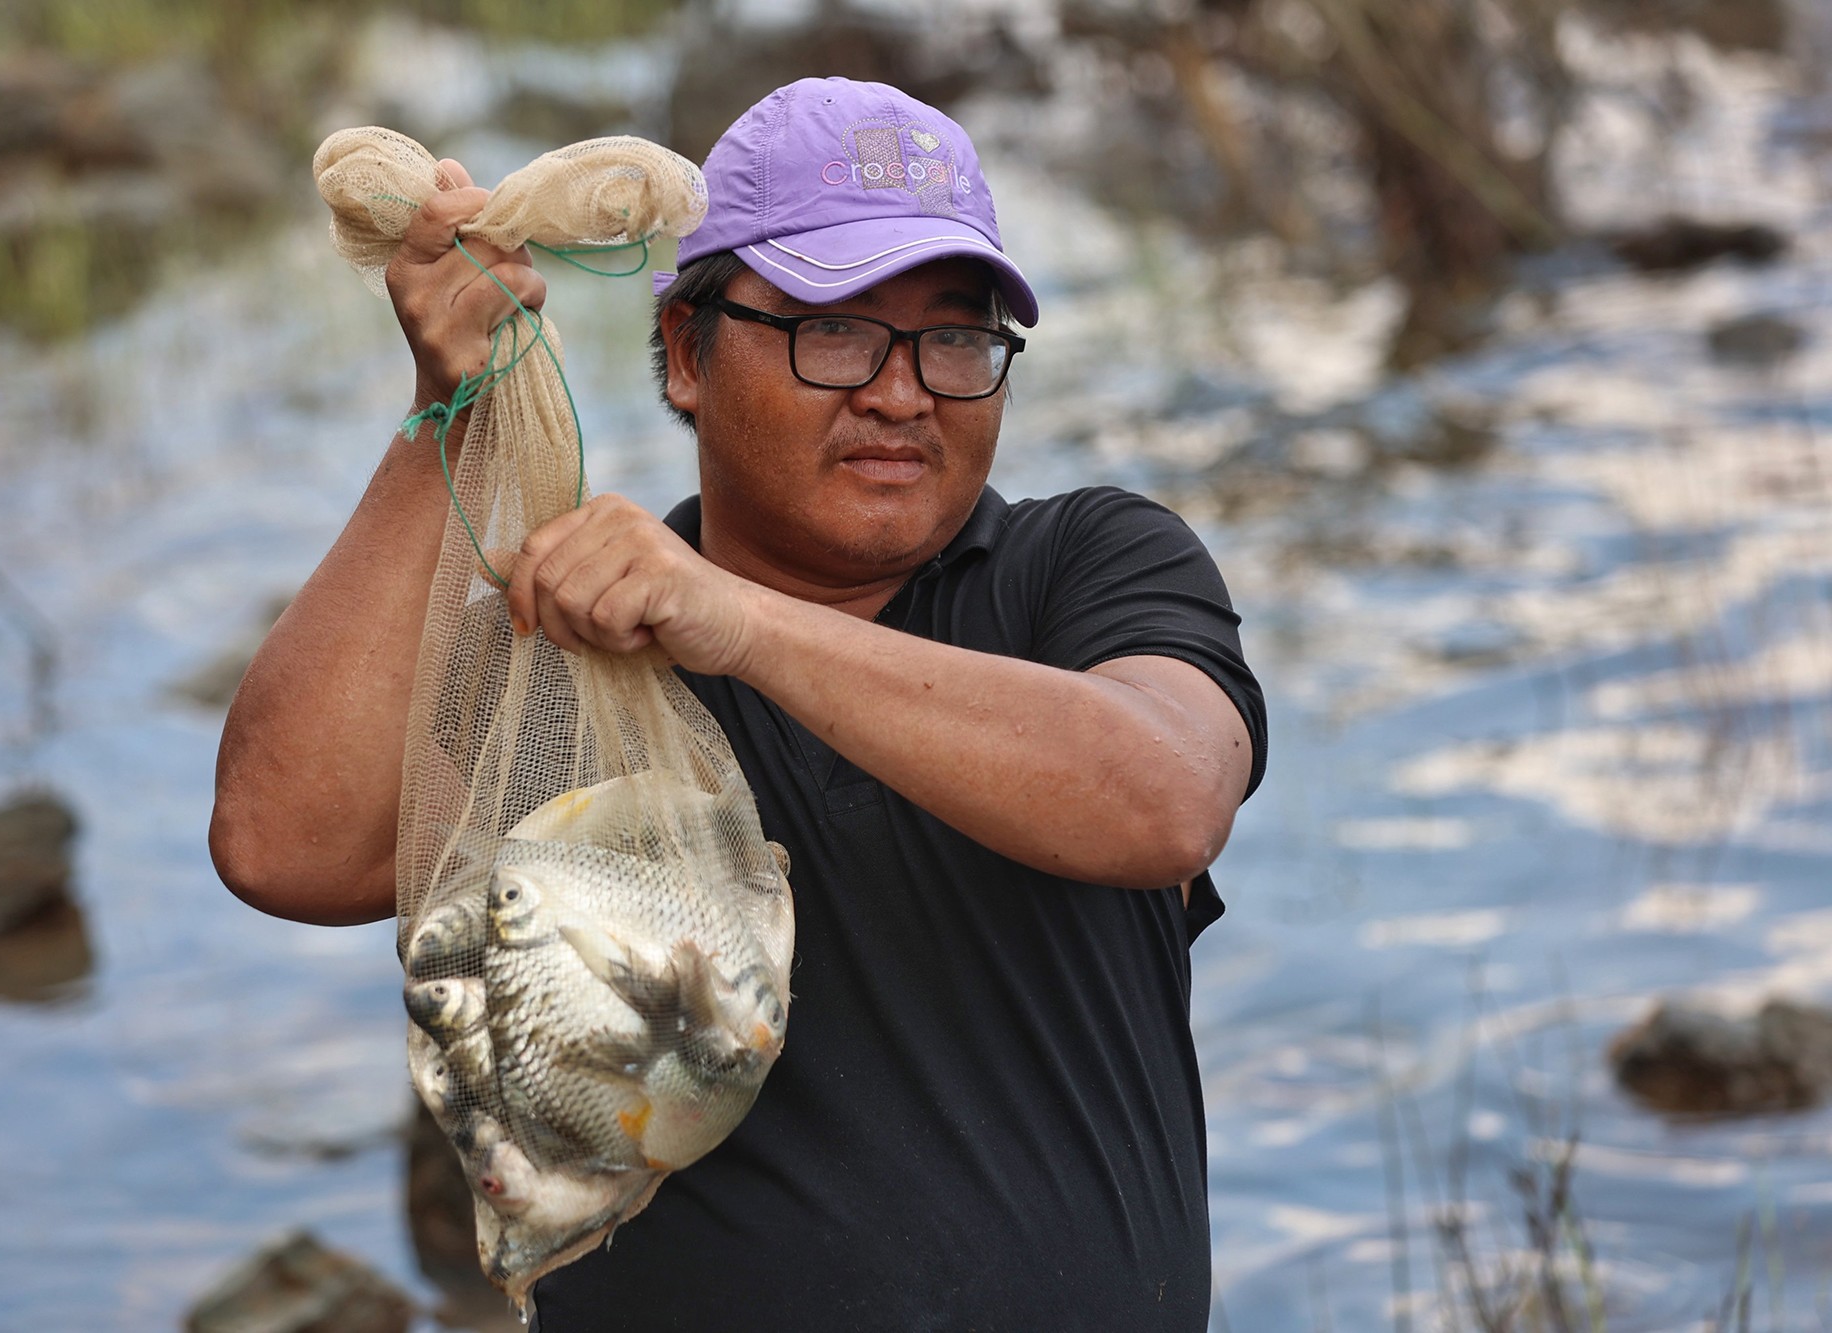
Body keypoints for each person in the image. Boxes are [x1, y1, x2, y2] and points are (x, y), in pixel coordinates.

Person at [212, 76, 1266, 1330]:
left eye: (955, 337)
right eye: (834, 330)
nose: (900, 391)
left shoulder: (1085, 567)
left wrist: (745, 624)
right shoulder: (581, 653)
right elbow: (280, 845)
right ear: (683, 353)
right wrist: (448, 396)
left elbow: (1163, 798)